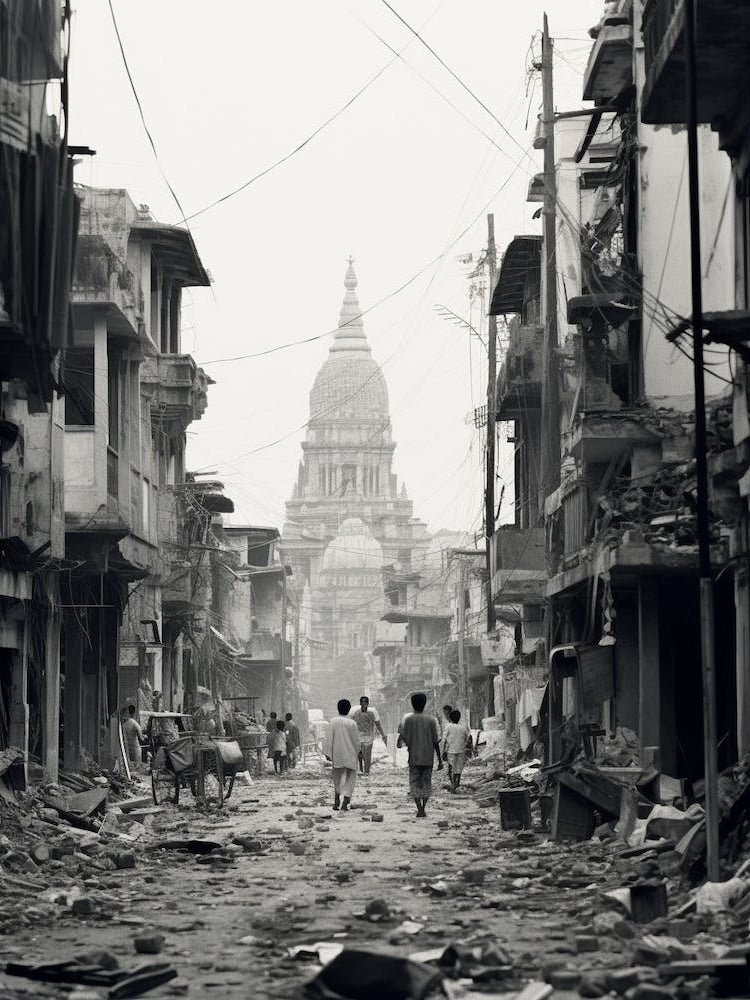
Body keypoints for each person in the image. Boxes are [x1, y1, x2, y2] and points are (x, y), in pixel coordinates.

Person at [398, 692, 443, 818]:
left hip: (414, 758)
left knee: (414, 783)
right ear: (425, 704)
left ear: (412, 704)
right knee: (426, 783)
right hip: (428, 758)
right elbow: (435, 741)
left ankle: (419, 809)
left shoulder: (409, 720)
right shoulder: (431, 720)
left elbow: (404, 738)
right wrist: (439, 760)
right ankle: (424, 807)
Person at [323, 699, 361, 811]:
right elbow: (356, 741)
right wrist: (359, 752)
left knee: (337, 778)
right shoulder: (352, 723)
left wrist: (327, 753)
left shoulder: (333, 721)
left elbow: (328, 738)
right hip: (350, 755)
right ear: (349, 709)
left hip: (337, 755)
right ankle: (346, 801)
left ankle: (336, 799)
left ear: (338, 708)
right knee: (350, 778)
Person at [349, 696, 387, 775]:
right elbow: (352, 725)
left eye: (365, 702)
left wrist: (383, 735)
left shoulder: (372, 713)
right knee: (359, 754)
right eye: (362, 702)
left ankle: (366, 771)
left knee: (367, 755)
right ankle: (361, 769)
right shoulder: (356, 713)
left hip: (369, 737)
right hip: (359, 736)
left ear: (368, 703)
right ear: (360, 703)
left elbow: (378, 724)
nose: (364, 704)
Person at [441, 708, 473, 791]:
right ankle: (457, 784)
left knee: (451, 768)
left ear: (450, 717)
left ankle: (453, 785)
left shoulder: (448, 727)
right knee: (458, 769)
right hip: (461, 751)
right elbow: (467, 739)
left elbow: (444, 740)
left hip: (451, 751)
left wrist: (443, 751)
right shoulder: (463, 728)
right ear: (459, 718)